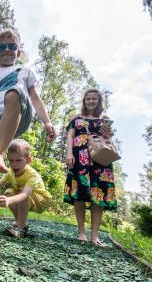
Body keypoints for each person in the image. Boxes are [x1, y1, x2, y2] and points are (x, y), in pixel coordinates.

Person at [0, 29, 56, 245]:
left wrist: (47, 122)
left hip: (18, 113)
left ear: (19, 51)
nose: (7, 50)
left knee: (14, 93)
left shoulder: (24, 71)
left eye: (12, 46)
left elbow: (34, 97)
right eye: (2, 47)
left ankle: (0, 153)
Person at [64, 88, 117, 247]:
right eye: (88, 99)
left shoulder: (105, 119)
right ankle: (81, 232)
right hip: (79, 158)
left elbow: (108, 139)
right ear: (84, 101)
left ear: (99, 101)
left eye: (94, 99)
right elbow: (70, 136)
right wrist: (69, 154)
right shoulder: (76, 118)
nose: (91, 101)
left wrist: (108, 133)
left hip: (101, 161)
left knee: (98, 196)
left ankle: (94, 236)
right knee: (79, 193)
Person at [0, 139, 52, 238]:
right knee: (8, 192)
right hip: (24, 196)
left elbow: (24, 194)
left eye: (18, 160)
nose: (14, 164)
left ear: (28, 160)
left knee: (19, 194)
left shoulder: (31, 175)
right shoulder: (11, 172)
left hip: (41, 200)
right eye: (11, 160)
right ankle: (20, 224)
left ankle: (20, 228)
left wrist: (9, 200)